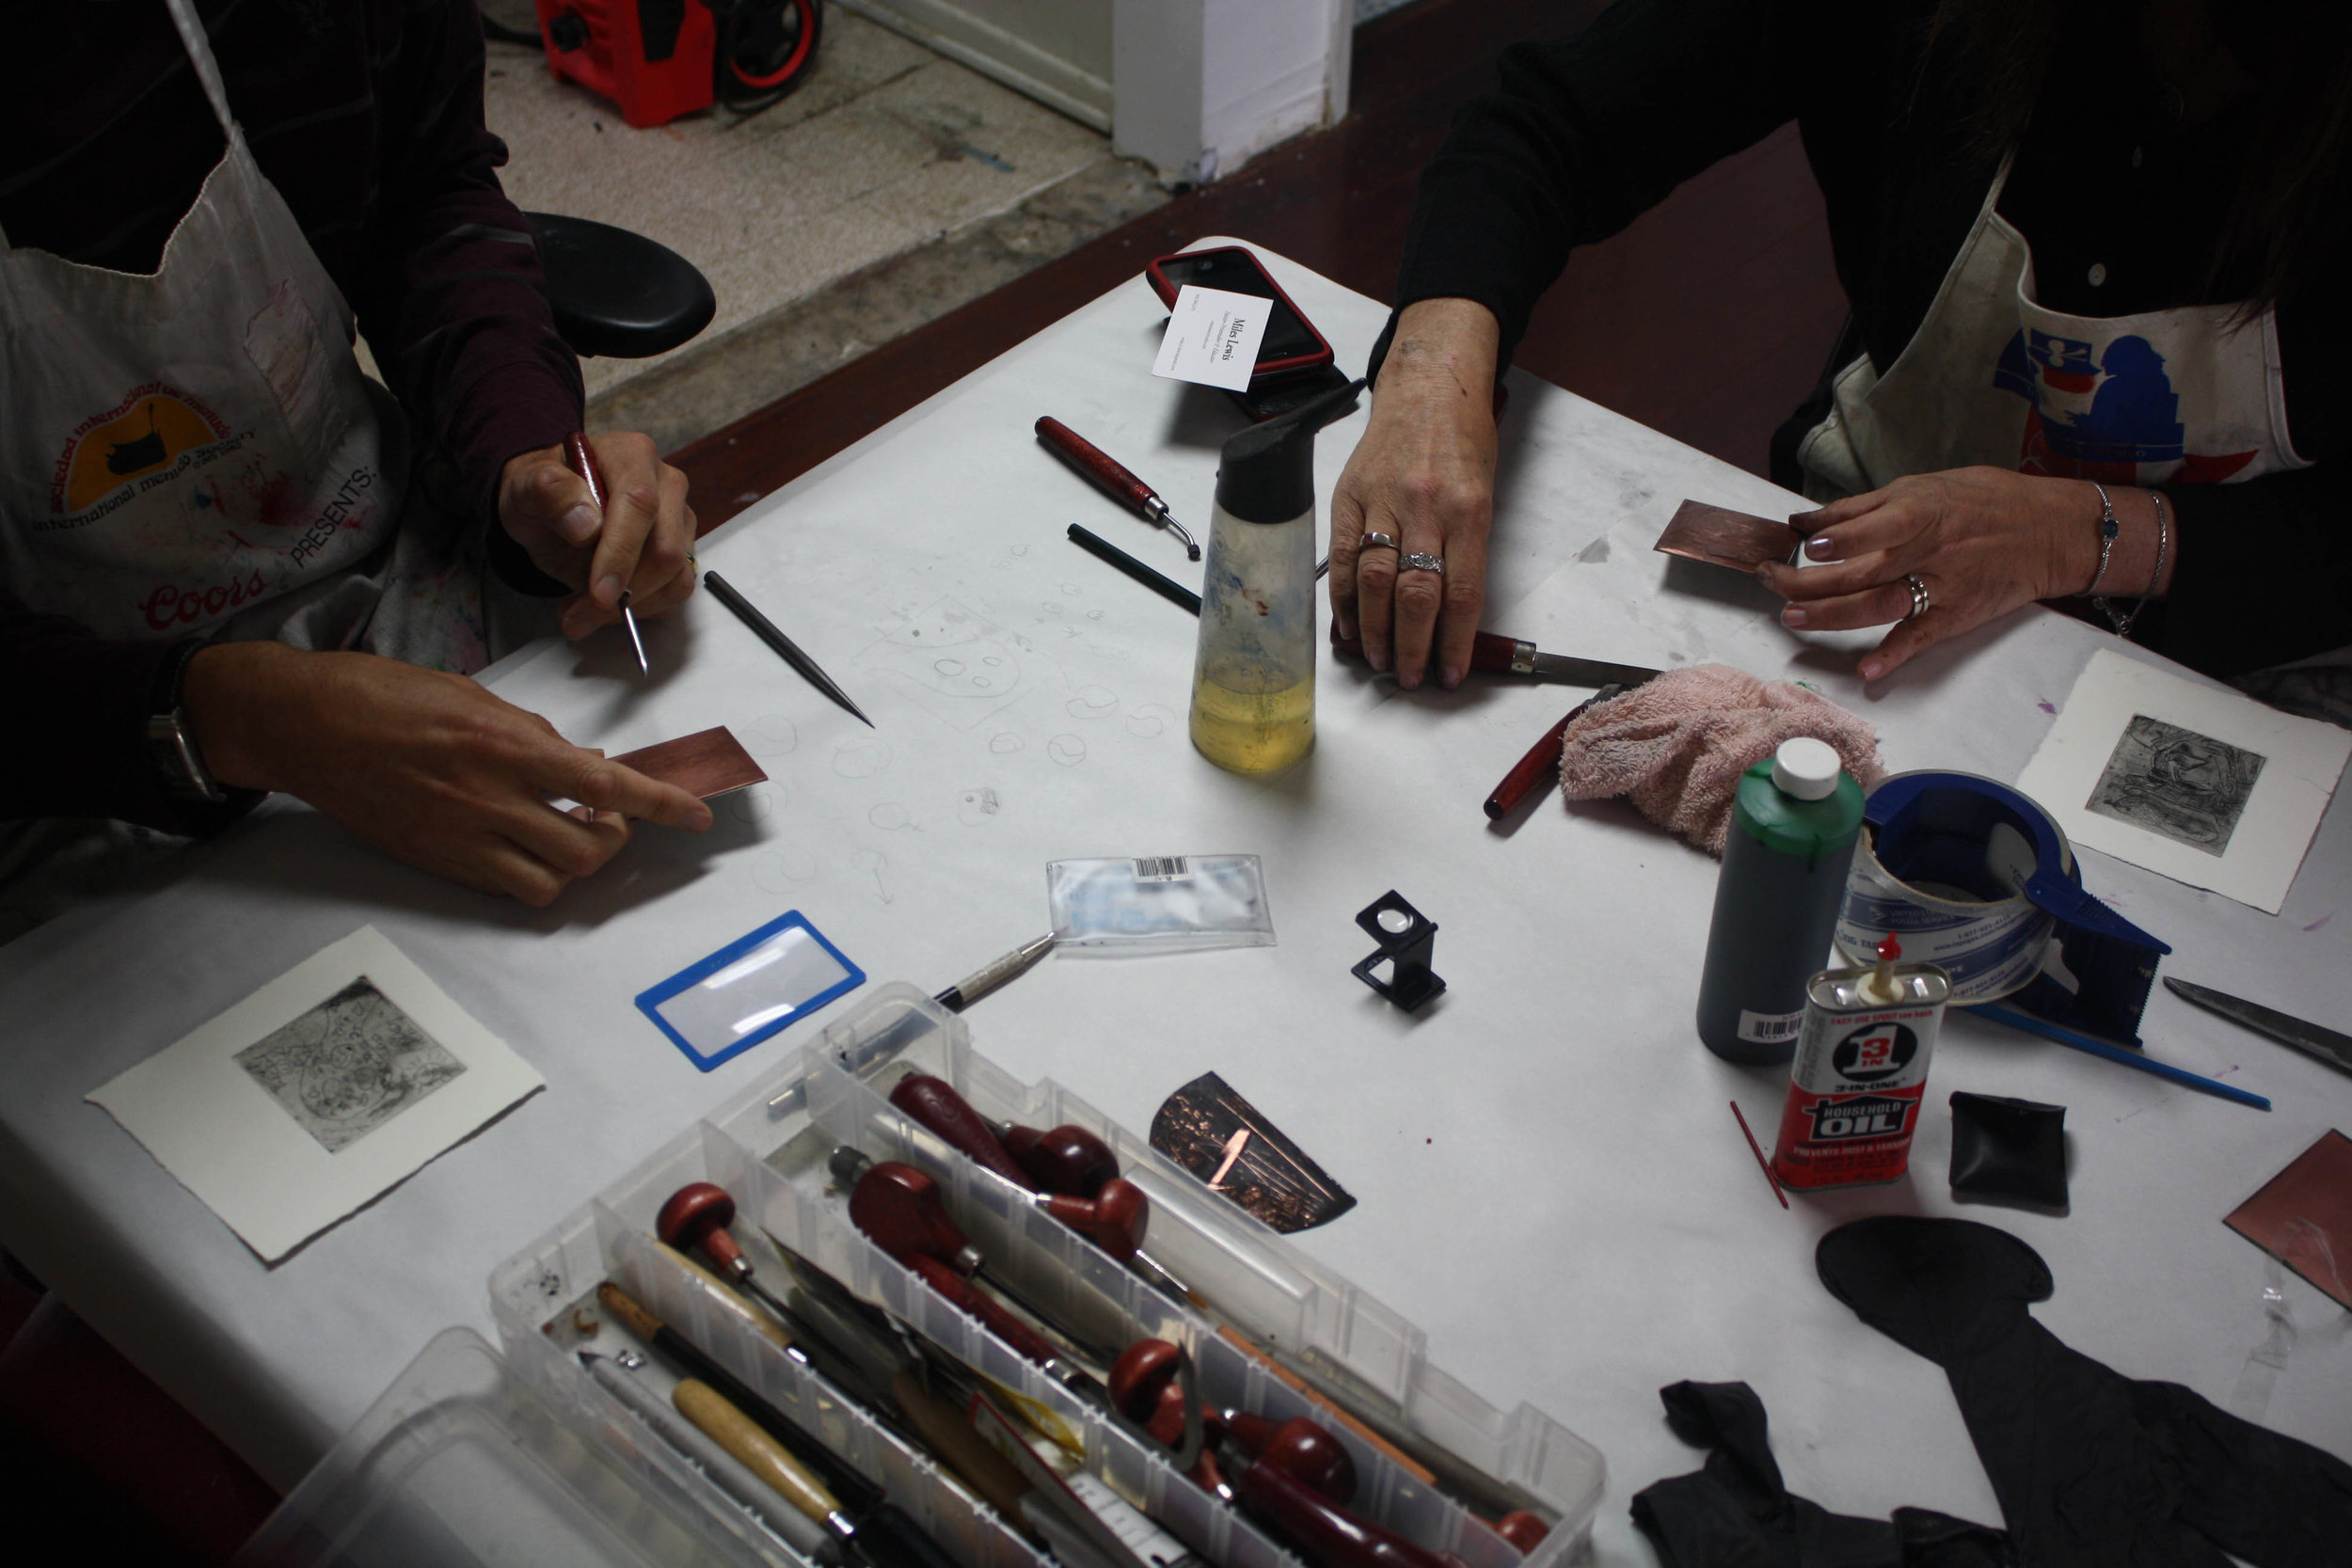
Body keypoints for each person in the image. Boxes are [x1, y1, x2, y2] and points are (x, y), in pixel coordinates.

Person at [1329, 0, 2352, 706]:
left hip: (2236, 659)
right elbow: (1548, 125)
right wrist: (1430, 384)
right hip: (1856, 593)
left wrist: (2087, 534)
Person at [0, 0, 711, 914]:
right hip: (70, 739)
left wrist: (524, 448)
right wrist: (243, 717)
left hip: (392, 564)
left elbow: (427, 191)